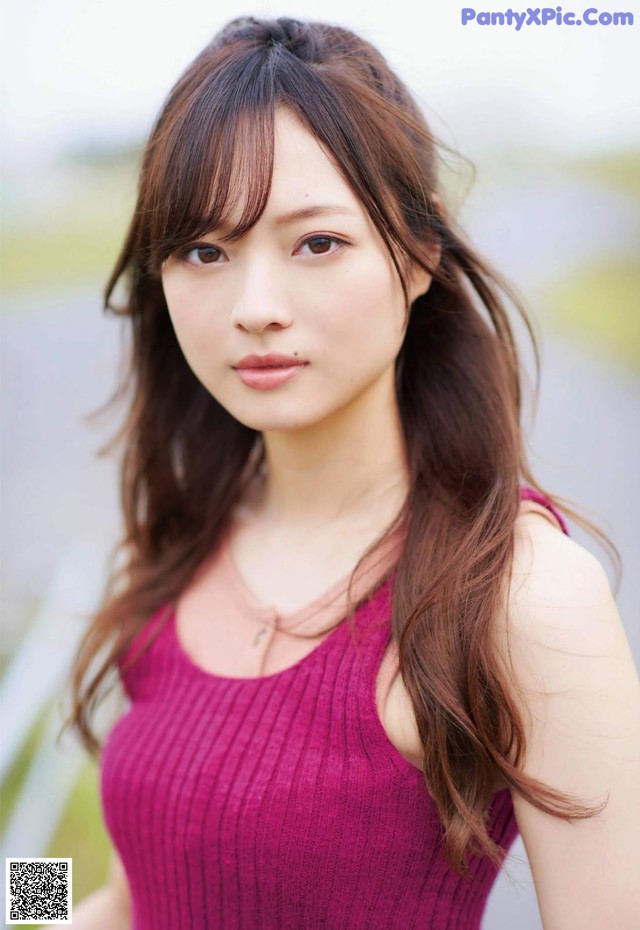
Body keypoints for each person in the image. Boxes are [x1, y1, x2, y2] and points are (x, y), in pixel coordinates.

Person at [58, 15, 640, 930]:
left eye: (315, 243)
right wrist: (13, 896)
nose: (255, 309)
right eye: (204, 252)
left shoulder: (521, 594)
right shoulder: (174, 549)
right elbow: (138, 891)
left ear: (417, 256)